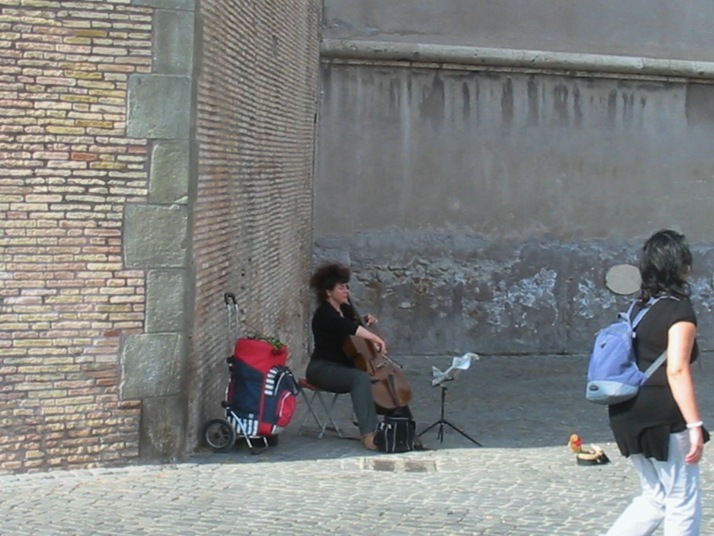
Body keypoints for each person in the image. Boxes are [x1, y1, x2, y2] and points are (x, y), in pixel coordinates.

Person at [606, 229, 708, 536]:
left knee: (655, 498)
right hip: (662, 415)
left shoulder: (638, 308)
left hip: (625, 409)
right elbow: (676, 370)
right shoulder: (679, 311)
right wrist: (694, 425)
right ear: (680, 266)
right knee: (681, 499)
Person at [306, 262, 386, 451]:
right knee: (360, 378)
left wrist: (366, 320)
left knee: (372, 378)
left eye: (346, 287)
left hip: (341, 367)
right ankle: (368, 434)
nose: (346, 291)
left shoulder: (345, 310)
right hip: (321, 369)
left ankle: (391, 425)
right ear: (328, 292)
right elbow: (348, 327)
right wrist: (375, 338)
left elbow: (355, 324)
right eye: (341, 287)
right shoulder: (324, 314)